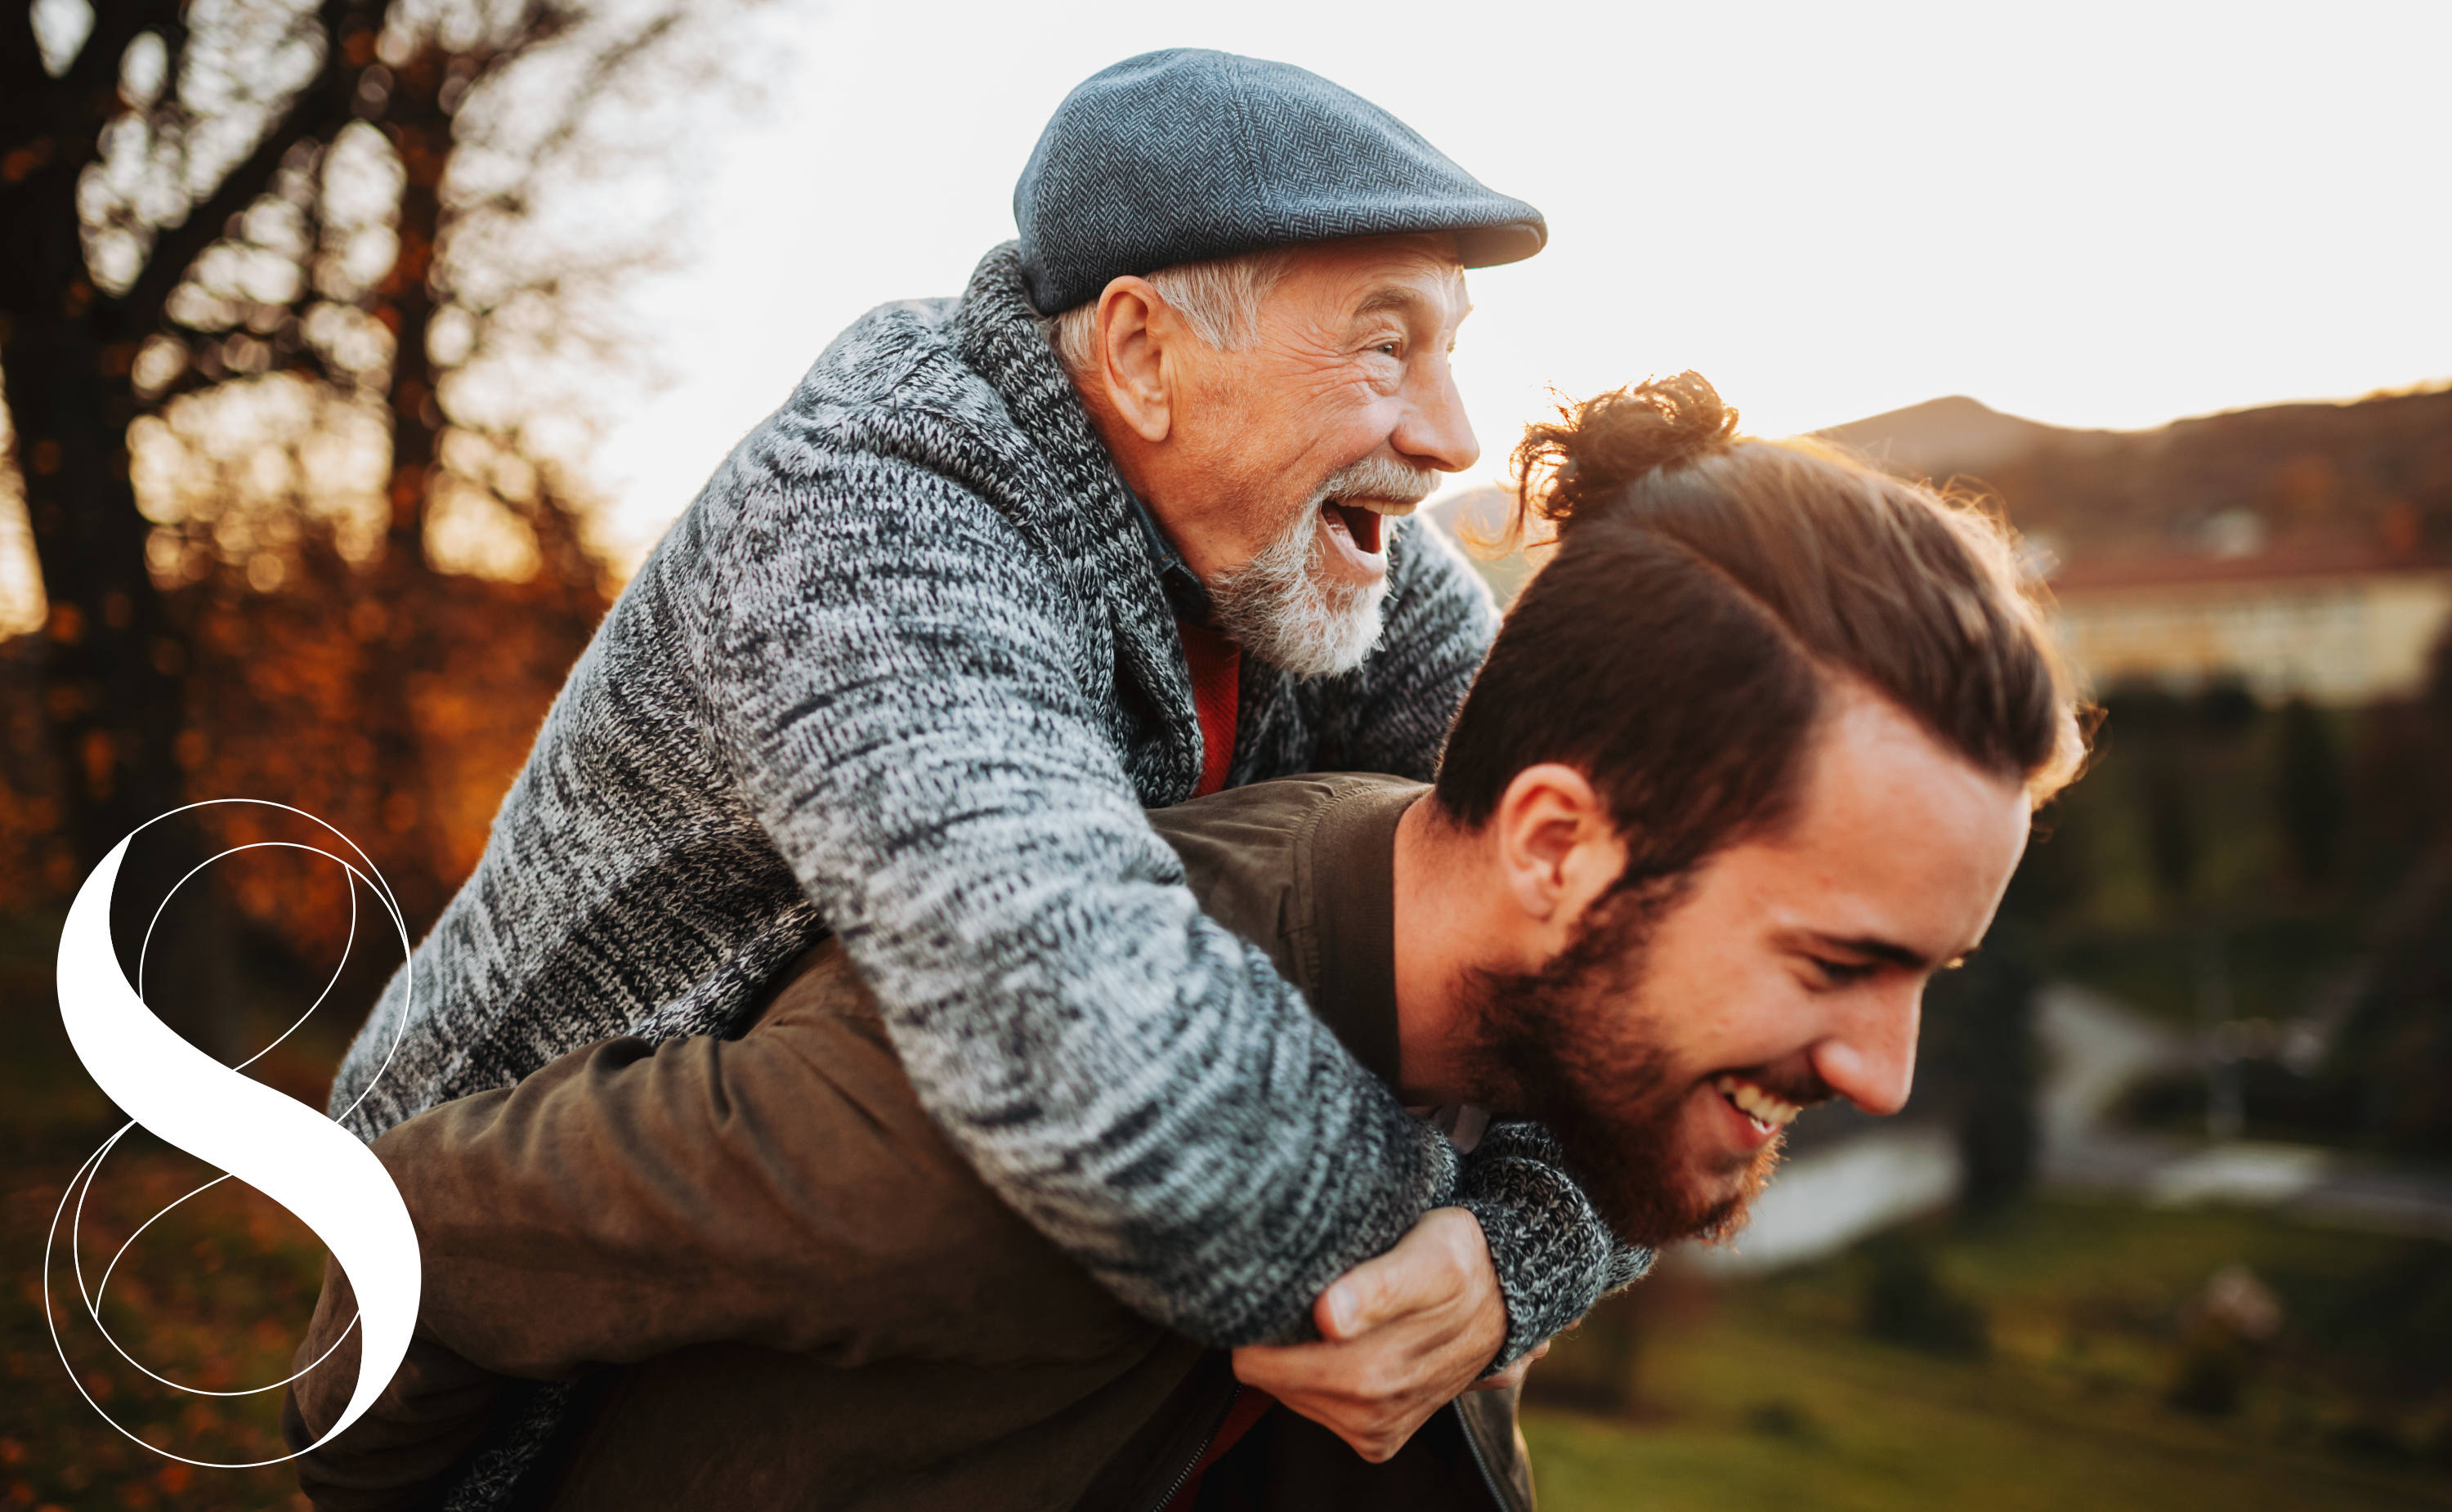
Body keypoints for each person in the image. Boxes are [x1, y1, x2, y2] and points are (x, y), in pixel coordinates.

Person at [286, 374, 2089, 1512]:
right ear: (1555, 845)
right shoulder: (981, 1123)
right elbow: (403, 1262)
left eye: (1927, 976)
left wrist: (1517, 1264)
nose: (1884, 1072)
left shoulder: (1528, 1056)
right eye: (1839, 964)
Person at [323, 49, 1631, 1505]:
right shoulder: (867, 509)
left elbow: (1656, 920)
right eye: (1387, 348)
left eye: (1448, 347)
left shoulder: (1320, 541)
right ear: (1142, 354)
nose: (1451, 435)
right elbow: (1089, 1042)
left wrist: (1515, 1256)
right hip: (505, 1349)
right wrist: (1441, 1248)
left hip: (924, 1313)